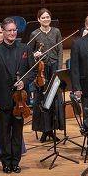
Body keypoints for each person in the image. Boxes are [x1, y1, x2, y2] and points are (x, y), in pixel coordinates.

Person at [0, 17, 35, 173]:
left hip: (20, 100)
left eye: (14, 30)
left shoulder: (24, 49)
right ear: (3, 32)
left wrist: (24, 81)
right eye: (9, 30)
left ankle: (15, 161)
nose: (12, 33)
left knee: (18, 132)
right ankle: (6, 161)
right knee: (4, 132)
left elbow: (32, 71)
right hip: (2, 99)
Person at [30, 8, 64, 142]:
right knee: (42, 100)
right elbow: (30, 53)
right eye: (43, 17)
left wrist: (59, 68)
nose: (46, 19)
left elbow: (60, 50)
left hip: (54, 68)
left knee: (54, 99)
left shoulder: (56, 32)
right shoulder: (34, 34)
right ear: (38, 19)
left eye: (48, 17)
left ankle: (53, 128)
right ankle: (45, 129)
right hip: (41, 71)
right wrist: (35, 55)